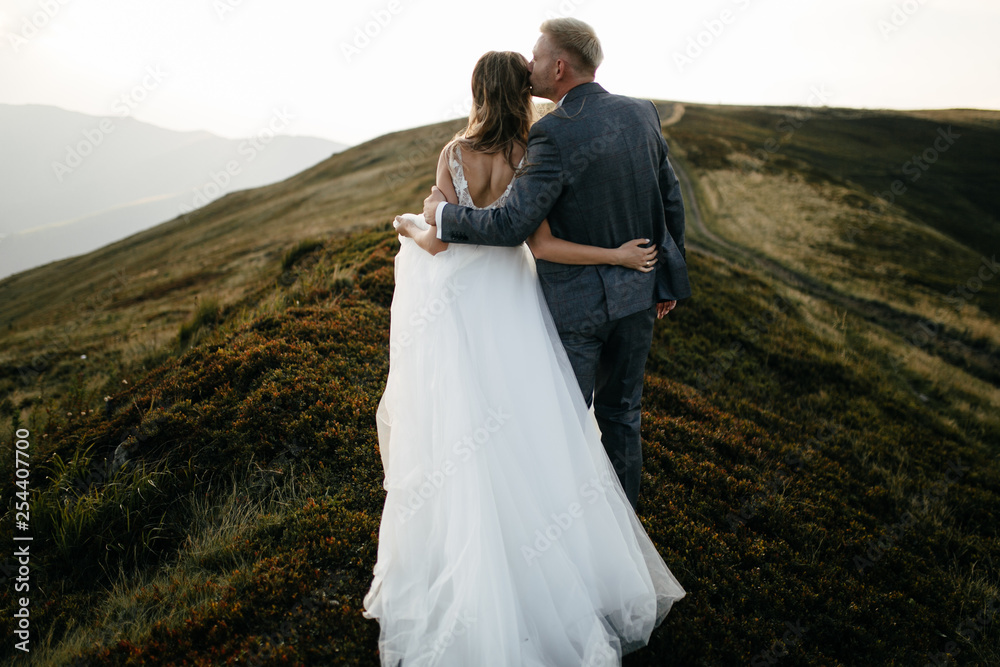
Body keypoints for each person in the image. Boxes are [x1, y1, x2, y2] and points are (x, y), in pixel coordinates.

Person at [361, 44, 685, 666]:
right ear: (521, 91)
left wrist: (410, 221)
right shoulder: (528, 153)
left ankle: (469, 544)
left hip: (459, 299)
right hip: (512, 298)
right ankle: (561, 542)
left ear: (477, 90)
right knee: (533, 420)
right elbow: (540, 242)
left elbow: (435, 242)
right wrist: (618, 257)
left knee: (461, 417)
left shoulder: (453, 154)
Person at [423, 18, 691, 513]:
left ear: (560, 66)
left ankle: (561, 533)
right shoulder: (642, 113)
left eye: (537, 56)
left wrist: (442, 214)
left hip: (575, 309)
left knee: (562, 419)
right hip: (638, 297)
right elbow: (669, 198)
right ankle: (623, 537)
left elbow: (510, 226)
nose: (531, 65)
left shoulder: (552, 133)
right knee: (623, 417)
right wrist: (667, 277)